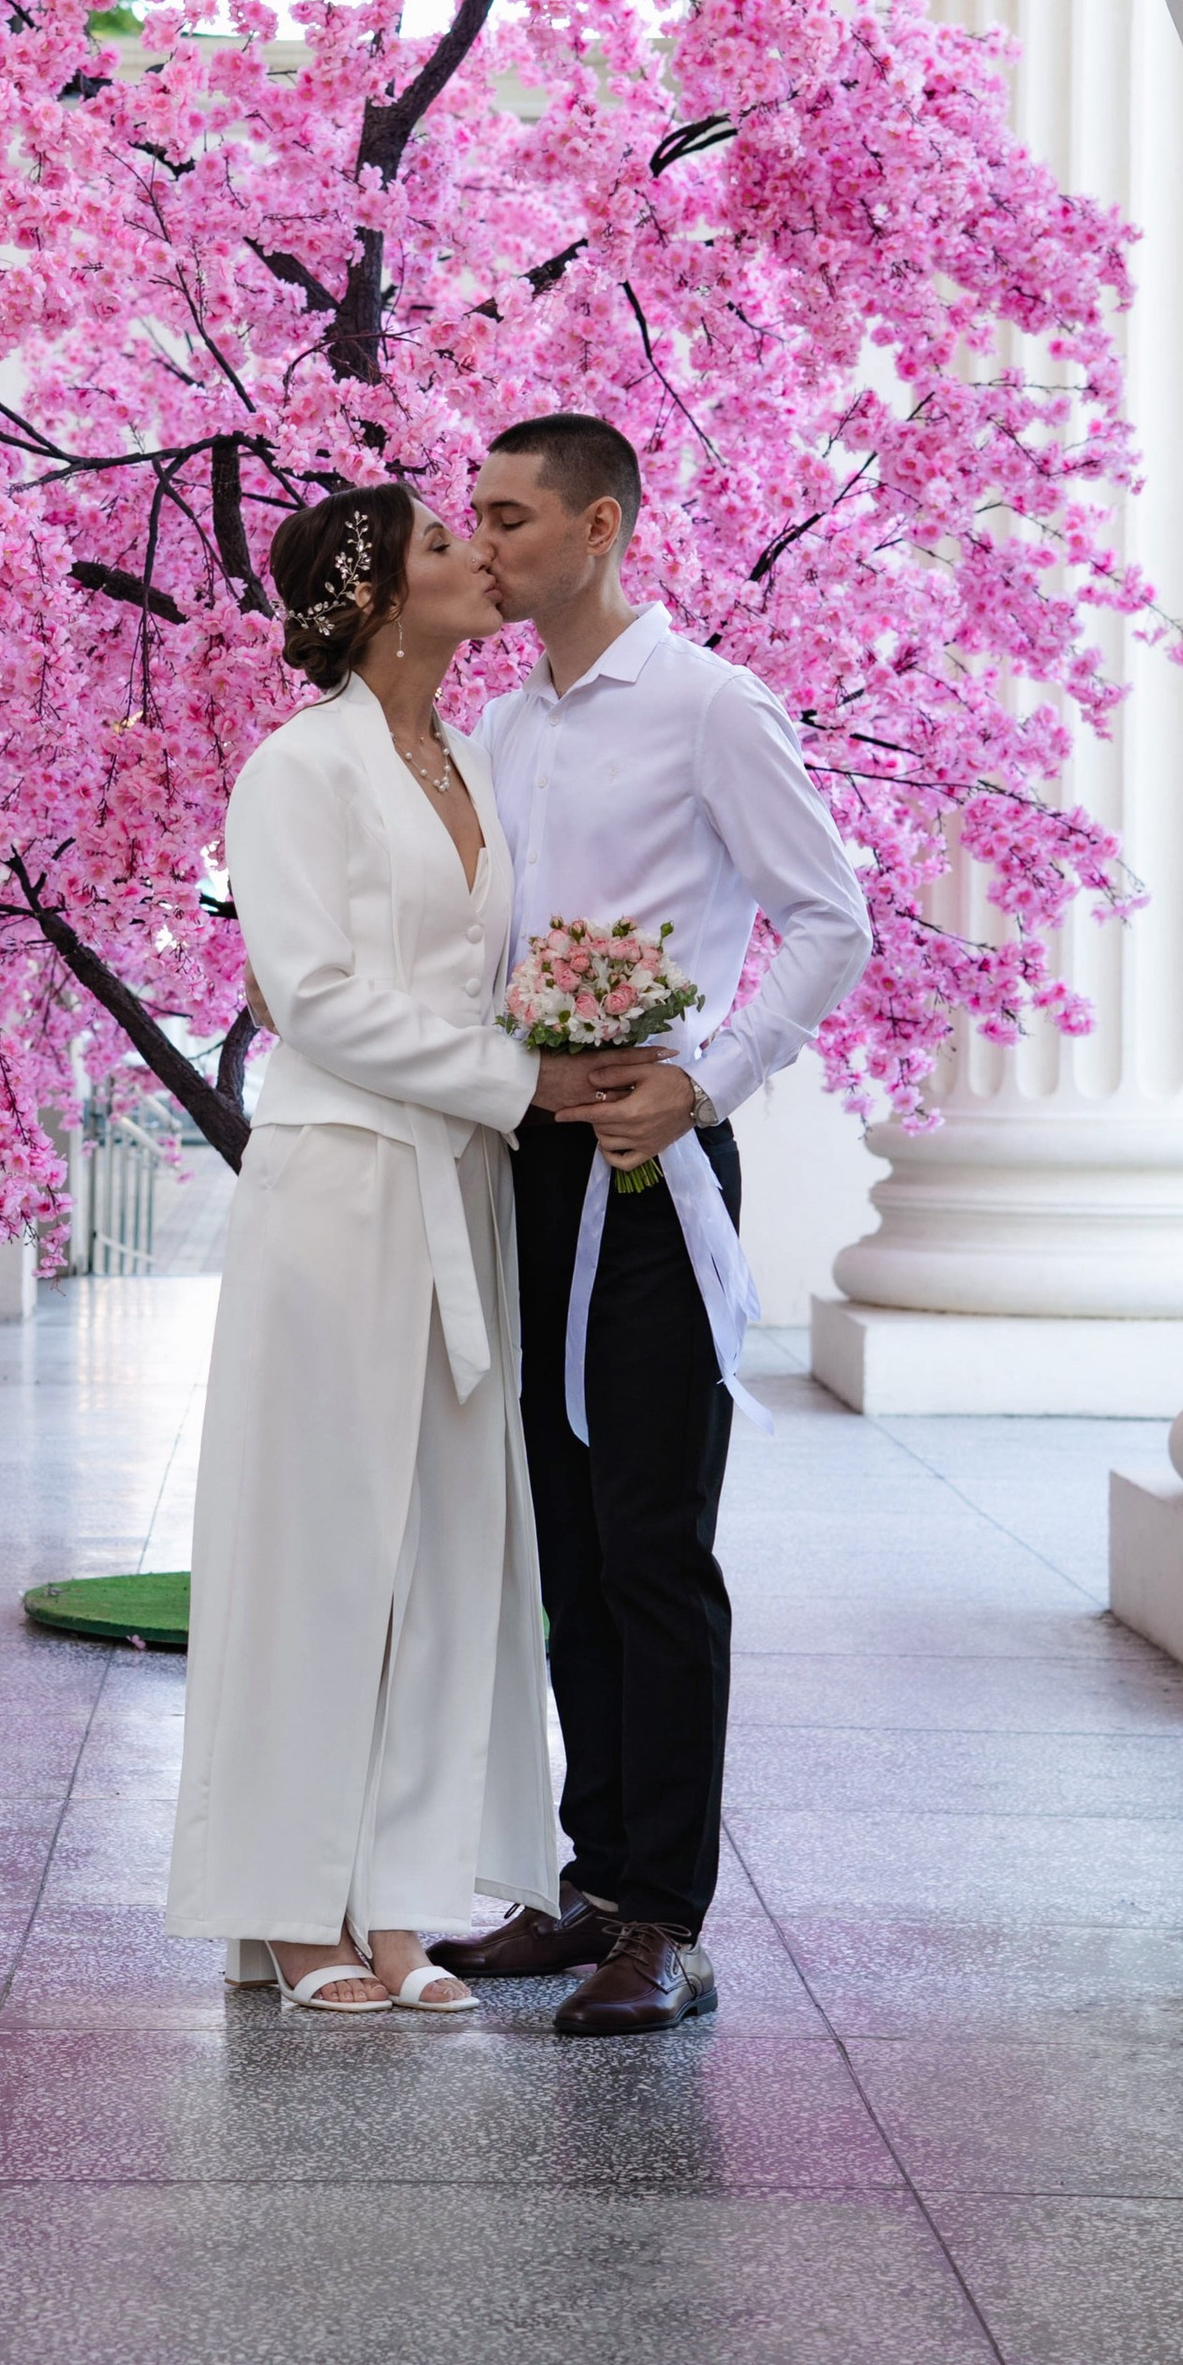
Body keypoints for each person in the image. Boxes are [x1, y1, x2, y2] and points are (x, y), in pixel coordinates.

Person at [431, 414, 873, 2035]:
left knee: (652, 1545)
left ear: (599, 526)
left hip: (655, 1162)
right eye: (473, 515)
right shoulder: (504, 730)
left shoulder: (711, 705)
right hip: (533, 1157)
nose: (484, 541)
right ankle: (596, 1883)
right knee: (564, 1539)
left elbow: (833, 917)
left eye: (510, 515)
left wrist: (710, 1080)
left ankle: (666, 1925)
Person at [165, 485, 588, 2017]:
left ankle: (401, 1898)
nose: (480, 554)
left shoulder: (467, 758)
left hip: (460, 1187)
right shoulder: (299, 767)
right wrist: (519, 1080)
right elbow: (312, 993)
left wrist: (571, 1038)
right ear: (367, 599)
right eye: (440, 545)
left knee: (447, 1551)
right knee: (320, 1546)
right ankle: (290, 1905)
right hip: (343, 1185)